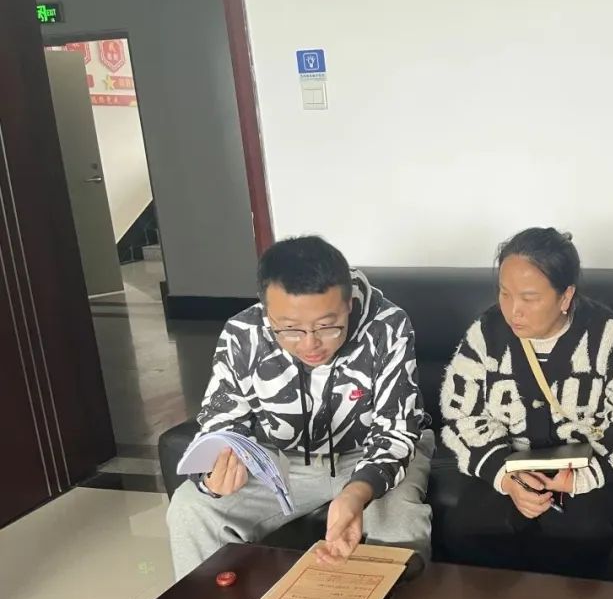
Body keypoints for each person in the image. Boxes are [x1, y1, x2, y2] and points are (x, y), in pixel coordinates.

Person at [166, 236, 434, 578]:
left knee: (399, 527)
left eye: (327, 326)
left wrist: (356, 492)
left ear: (349, 303)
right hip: (283, 462)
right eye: (290, 330)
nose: (310, 344)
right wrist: (214, 474)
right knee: (191, 509)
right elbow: (220, 422)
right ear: (267, 311)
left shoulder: (388, 325)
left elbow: (396, 432)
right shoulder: (242, 333)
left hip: (369, 457)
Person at [439, 227, 613, 577]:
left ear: (565, 296)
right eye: (504, 293)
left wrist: (580, 480)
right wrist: (505, 477)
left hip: (591, 466)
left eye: (529, 298)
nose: (513, 311)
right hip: (512, 460)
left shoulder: (608, 338)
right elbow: (462, 416)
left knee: (577, 532)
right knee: (470, 527)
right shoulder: (486, 334)